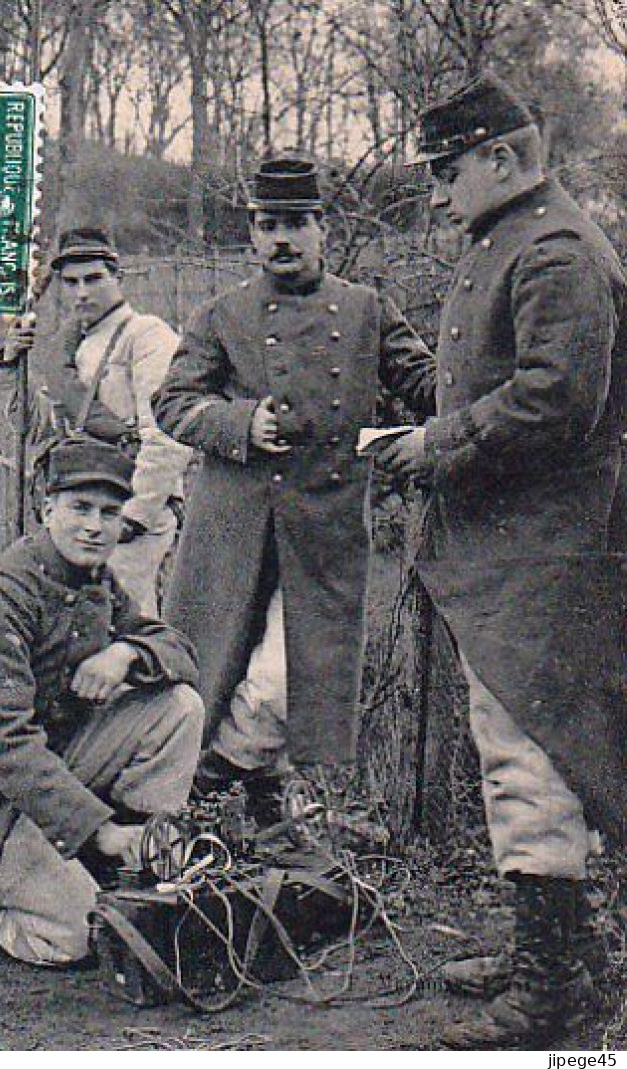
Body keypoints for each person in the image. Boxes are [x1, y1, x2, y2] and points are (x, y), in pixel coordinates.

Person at [371, 75, 627, 1049]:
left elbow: (553, 402)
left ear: (499, 159)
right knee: (513, 748)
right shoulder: (512, 236)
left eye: (445, 172)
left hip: (544, 549)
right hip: (507, 543)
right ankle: (559, 953)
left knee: (532, 754)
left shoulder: (554, 250)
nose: (436, 195)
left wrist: (435, 442)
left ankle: (557, 989)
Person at [150, 156, 435, 826]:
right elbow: (171, 402)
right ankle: (240, 796)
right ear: (252, 234)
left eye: (296, 224)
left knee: (285, 681)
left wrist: (479, 394)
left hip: (326, 528)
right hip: (233, 527)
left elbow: (426, 381)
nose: (282, 239)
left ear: (322, 229)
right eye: (267, 224)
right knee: (208, 669)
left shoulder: (367, 311)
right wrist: (240, 422)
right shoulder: (221, 315)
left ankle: (219, 777)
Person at [0, 436, 204, 966]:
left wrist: (125, 653)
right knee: (76, 939)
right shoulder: (0, 597)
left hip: (46, 768)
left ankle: (133, 859)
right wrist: (99, 830)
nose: (94, 526)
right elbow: (2, 743)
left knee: (179, 707)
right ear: (47, 510)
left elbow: (179, 651)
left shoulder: (95, 578)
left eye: (109, 513)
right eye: (80, 509)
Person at [0, 226, 191, 612]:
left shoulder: (147, 337)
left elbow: (168, 435)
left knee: (122, 625)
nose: (82, 292)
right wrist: (11, 365)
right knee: (68, 626)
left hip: (125, 512)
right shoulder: (67, 347)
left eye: (94, 279)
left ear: (118, 277)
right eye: (71, 282)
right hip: (75, 509)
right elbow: (34, 429)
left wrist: (133, 516)